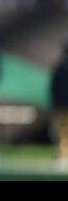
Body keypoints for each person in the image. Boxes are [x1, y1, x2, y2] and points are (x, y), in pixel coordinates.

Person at [50, 39, 68, 170]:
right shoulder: (59, 68)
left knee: (63, 131)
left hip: (61, 105)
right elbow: (53, 88)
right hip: (61, 106)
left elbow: (53, 88)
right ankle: (62, 155)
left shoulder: (59, 68)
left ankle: (63, 155)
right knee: (62, 131)